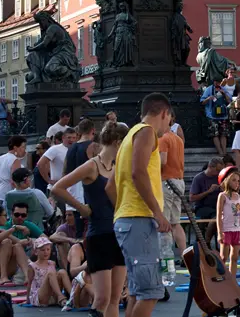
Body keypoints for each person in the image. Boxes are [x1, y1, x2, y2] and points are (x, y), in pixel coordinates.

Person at [107, 93, 173, 317]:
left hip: (127, 219)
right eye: (169, 121)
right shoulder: (147, 132)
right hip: (139, 220)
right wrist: (157, 212)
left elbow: (110, 186)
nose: (168, 127)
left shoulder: (128, 137)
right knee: (151, 292)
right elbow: (138, 172)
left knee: (136, 292)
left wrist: (123, 209)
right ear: (163, 113)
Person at [53, 124, 128, 317]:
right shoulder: (92, 165)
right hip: (100, 234)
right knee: (102, 298)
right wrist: (81, 208)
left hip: (119, 233)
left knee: (115, 297)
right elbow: (58, 188)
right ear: (118, 142)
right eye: (125, 144)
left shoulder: (117, 165)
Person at [159, 112, 187, 253]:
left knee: (164, 222)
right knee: (176, 222)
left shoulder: (163, 139)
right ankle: (185, 255)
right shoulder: (177, 139)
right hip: (179, 180)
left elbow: (163, 161)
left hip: (166, 182)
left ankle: (166, 256)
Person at [216, 166, 240, 275]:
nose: (237, 183)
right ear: (227, 181)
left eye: (238, 181)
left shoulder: (238, 196)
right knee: (223, 257)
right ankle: (220, 276)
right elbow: (218, 215)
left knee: (235, 257)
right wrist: (220, 233)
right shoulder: (222, 196)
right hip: (226, 229)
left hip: (237, 229)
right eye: (234, 180)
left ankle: (232, 278)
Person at [27, 236, 71, 307]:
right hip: (41, 296)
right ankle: (61, 297)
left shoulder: (52, 263)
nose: (46, 252)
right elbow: (29, 283)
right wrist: (27, 300)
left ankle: (72, 296)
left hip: (52, 295)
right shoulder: (32, 266)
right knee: (51, 273)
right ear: (36, 252)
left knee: (62, 272)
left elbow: (55, 281)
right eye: (43, 250)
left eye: (48, 249)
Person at [0, 136, 27, 210]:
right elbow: (14, 181)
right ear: (15, 148)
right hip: (5, 197)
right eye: (23, 147)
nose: (25, 150)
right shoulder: (15, 160)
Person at [189, 157, 224, 244]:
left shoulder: (219, 177)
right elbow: (192, 198)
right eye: (217, 170)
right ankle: (206, 241)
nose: (218, 172)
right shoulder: (199, 178)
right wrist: (208, 191)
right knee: (216, 217)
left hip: (217, 206)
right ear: (210, 167)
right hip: (202, 207)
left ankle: (208, 240)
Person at [201, 79, 232, 156]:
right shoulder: (208, 89)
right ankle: (220, 151)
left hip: (223, 115)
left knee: (224, 134)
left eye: (219, 82)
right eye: (217, 82)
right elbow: (202, 102)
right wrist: (208, 98)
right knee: (215, 134)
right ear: (214, 82)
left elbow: (229, 101)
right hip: (212, 115)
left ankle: (224, 151)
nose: (218, 83)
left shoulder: (224, 89)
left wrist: (224, 93)